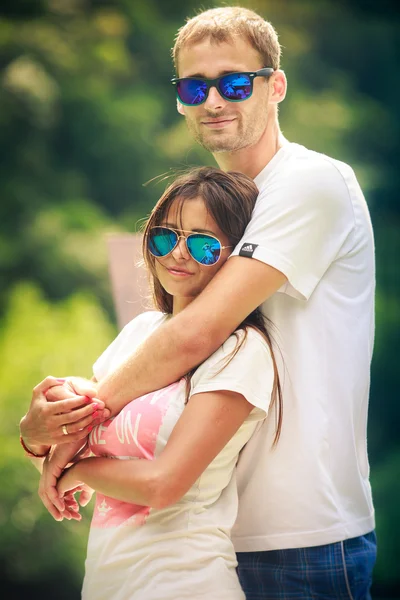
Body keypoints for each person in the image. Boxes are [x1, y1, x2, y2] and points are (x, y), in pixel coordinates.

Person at [20, 6, 377, 599]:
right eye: (195, 86)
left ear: (277, 86)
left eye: (237, 83)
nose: (215, 100)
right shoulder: (215, 219)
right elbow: (153, 378)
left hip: (301, 539)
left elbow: (195, 335)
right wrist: (41, 436)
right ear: (180, 100)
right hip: (206, 535)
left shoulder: (311, 182)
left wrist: (72, 434)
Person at [31, 167, 282, 600]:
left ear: (237, 256)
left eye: (203, 244)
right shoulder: (140, 333)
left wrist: (77, 470)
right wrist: (35, 438)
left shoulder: (241, 350)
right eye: (166, 236)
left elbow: (163, 485)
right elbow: (61, 463)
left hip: (185, 582)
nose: (178, 253)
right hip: (109, 584)